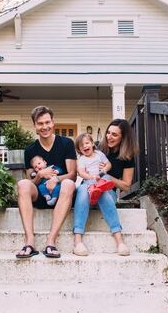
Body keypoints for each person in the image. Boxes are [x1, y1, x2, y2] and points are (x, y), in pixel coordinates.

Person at [15, 106, 76, 259]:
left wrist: (56, 179)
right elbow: (31, 182)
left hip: (62, 195)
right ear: (35, 126)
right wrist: (41, 174)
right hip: (41, 195)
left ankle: (51, 241)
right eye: (40, 123)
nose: (44, 127)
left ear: (53, 122)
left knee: (68, 184)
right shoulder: (30, 150)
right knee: (23, 184)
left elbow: (72, 175)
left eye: (47, 122)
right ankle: (29, 242)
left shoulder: (66, 143)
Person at [72, 119, 137, 257]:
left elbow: (126, 186)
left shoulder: (127, 157)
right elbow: (81, 168)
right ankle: (78, 242)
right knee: (83, 189)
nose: (109, 136)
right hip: (88, 190)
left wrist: (107, 177)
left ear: (123, 137)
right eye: (108, 132)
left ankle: (119, 241)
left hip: (107, 192)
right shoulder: (97, 149)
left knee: (103, 190)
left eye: (114, 134)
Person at [74, 132, 115, 205]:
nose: (84, 146)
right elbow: (81, 172)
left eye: (87, 143)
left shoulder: (99, 154)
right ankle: (93, 192)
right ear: (79, 149)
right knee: (90, 183)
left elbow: (109, 164)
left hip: (101, 177)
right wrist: (92, 177)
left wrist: (104, 169)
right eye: (81, 145)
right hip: (90, 179)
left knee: (107, 177)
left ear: (92, 143)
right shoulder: (81, 159)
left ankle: (101, 186)